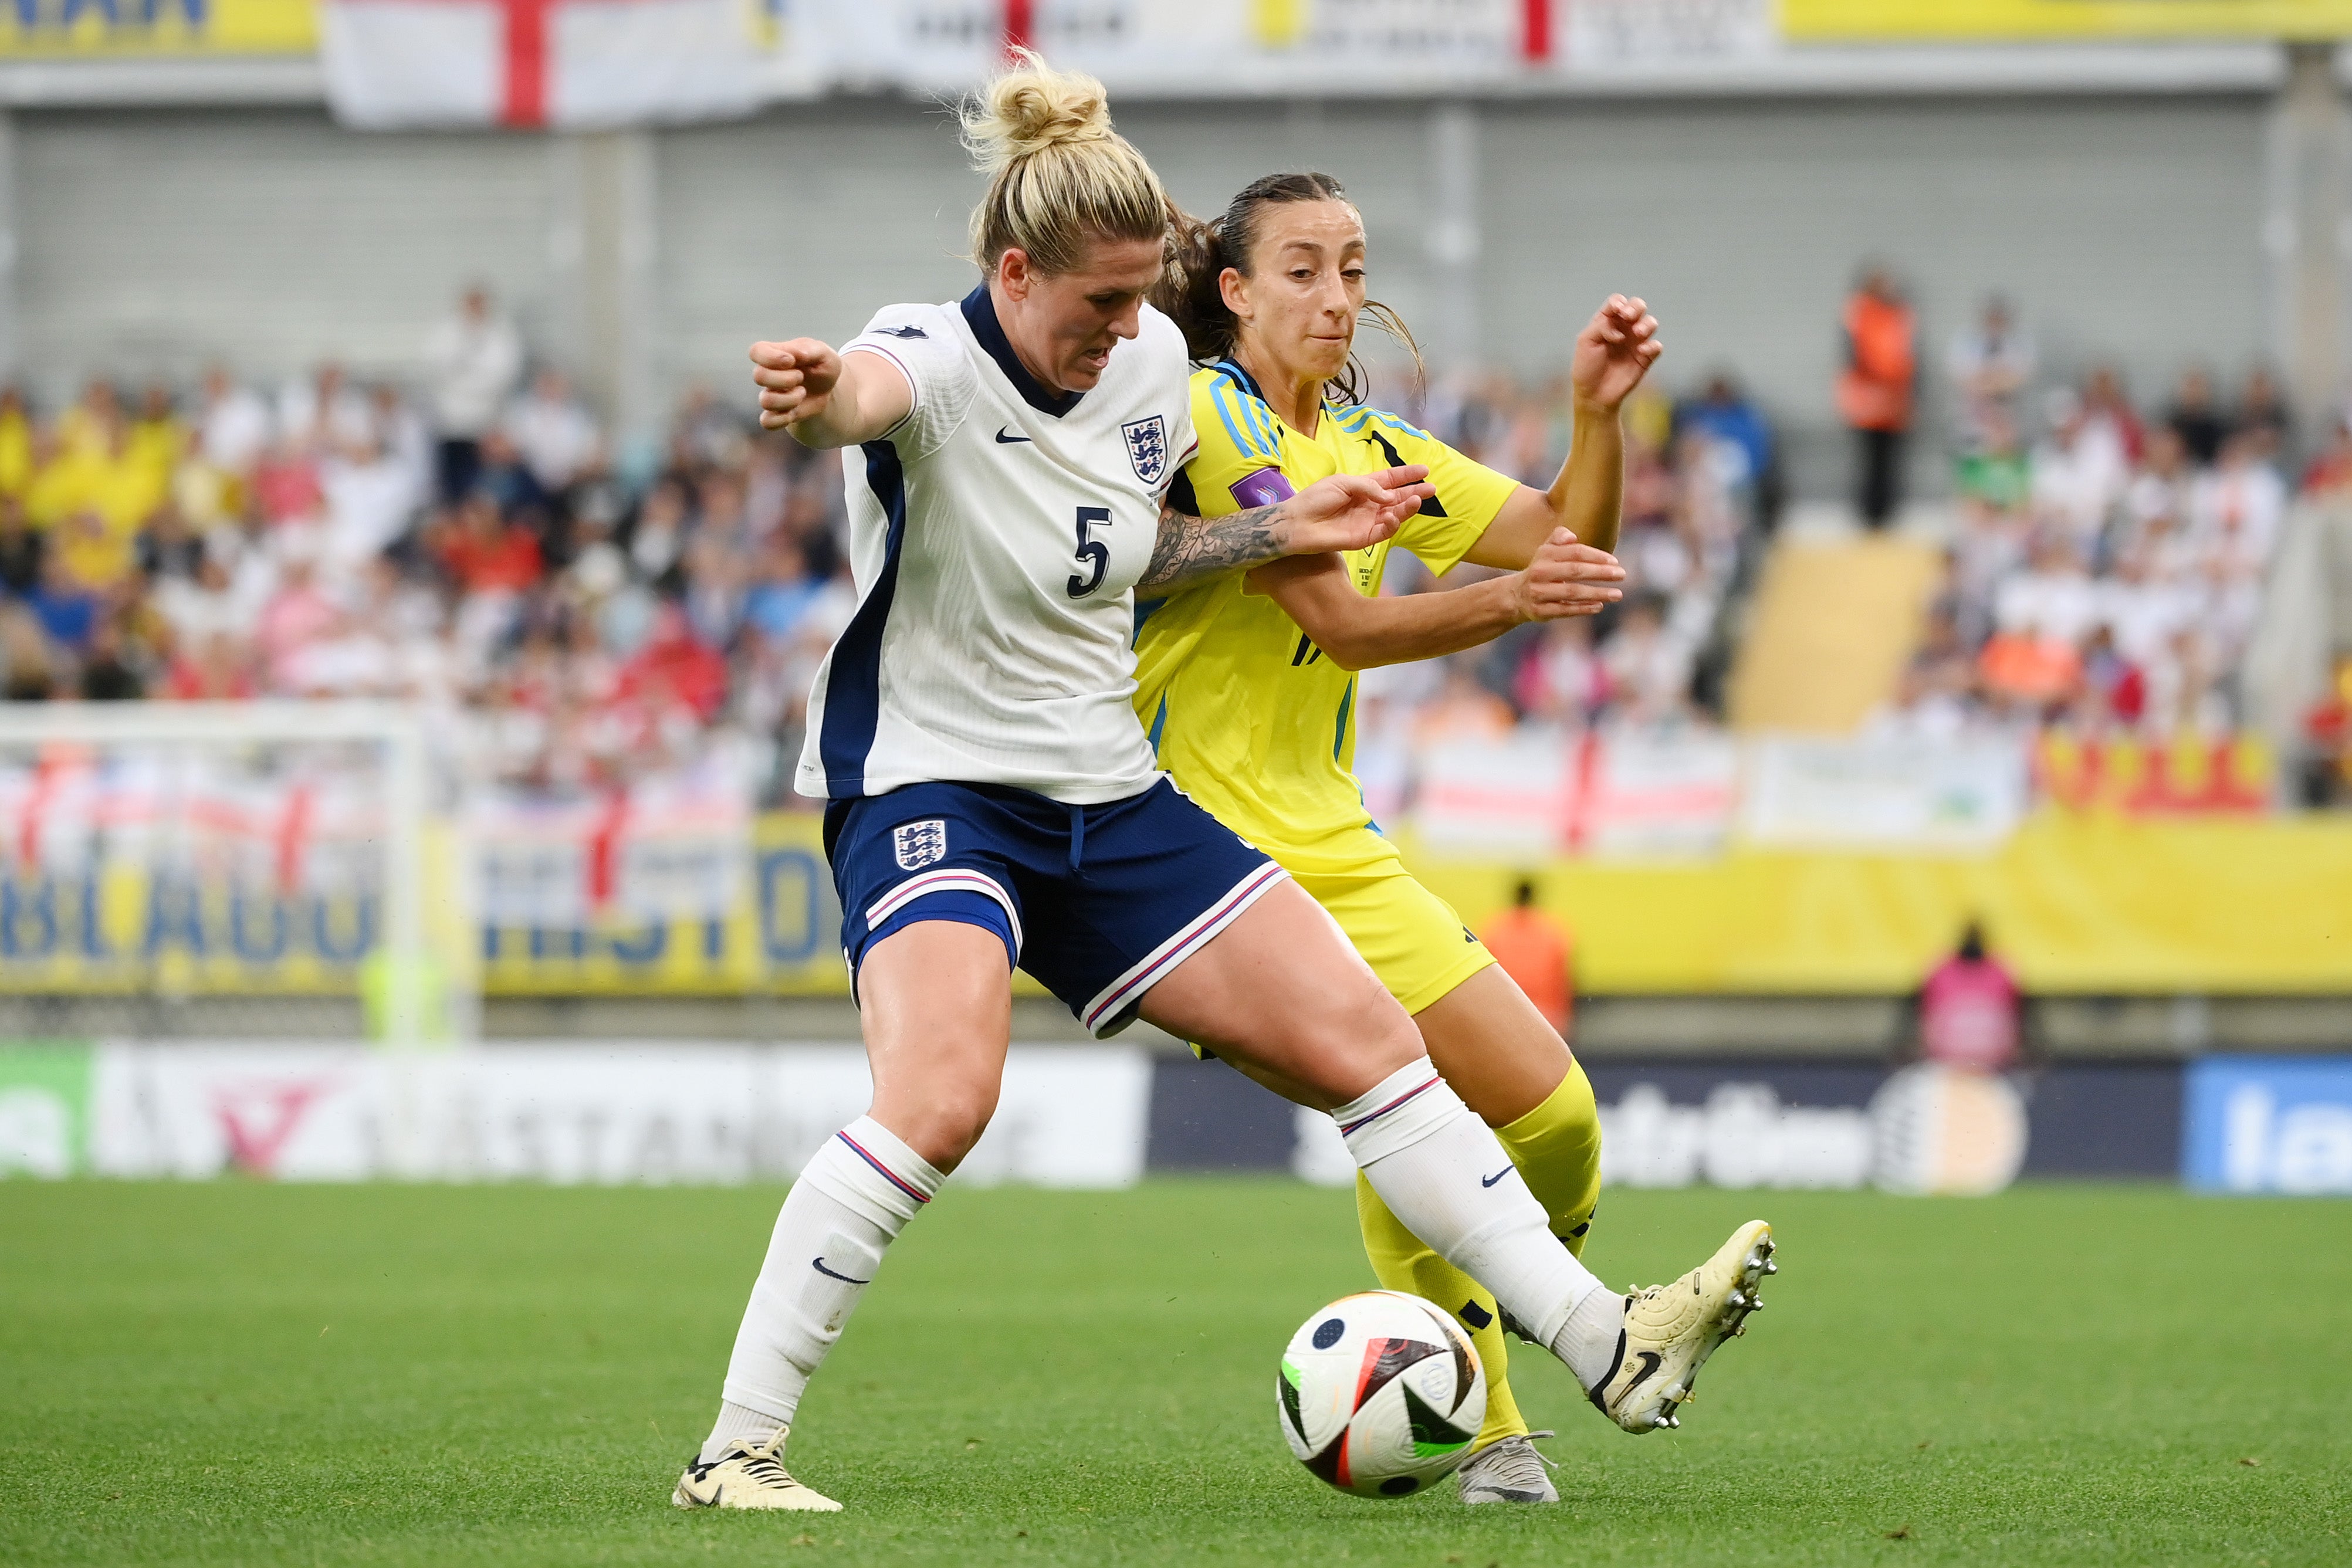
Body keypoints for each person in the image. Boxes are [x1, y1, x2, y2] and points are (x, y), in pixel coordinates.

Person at [683, 54, 1773, 1515]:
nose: (1132, 331)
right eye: (1100, 303)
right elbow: (856, 398)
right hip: (936, 785)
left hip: (1109, 796)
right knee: (940, 1098)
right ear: (1012, 271)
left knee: (1377, 1048)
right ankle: (735, 1448)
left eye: (1145, 299)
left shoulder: (1144, 375)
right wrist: (817, 394)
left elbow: (1136, 552)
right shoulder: (923, 358)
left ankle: (1607, 1343)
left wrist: (1271, 531)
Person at [1139, 170, 1765, 1505]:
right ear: (1236, 292)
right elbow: (1343, 621)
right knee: (1399, 1099)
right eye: (1300, 268)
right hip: (1200, 857)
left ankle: (1504, 1367)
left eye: (1353, 268)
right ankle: (1498, 1415)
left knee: (1554, 1114)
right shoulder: (1205, 411)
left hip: (1339, 843)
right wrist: (1508, 610)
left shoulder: (1369, 440)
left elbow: (1560, 534)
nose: (1336, 295)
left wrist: (1597, 414)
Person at [1837, 266, 1916, 529]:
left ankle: (1888, 513)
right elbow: (1856, 357)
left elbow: (1907, 356)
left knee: (1890, 460)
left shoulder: (1900, 315)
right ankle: (1867, 514)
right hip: (1868, 400)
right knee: (1868, 459)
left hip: (1894, 402)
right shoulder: (1858, 312)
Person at [1480, 879, 1575, 1039]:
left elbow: (1484, 977)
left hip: (1506, 1014)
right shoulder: (1553, 933)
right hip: (1547, 1016)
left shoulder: (1495, 931)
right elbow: (1564, 978)